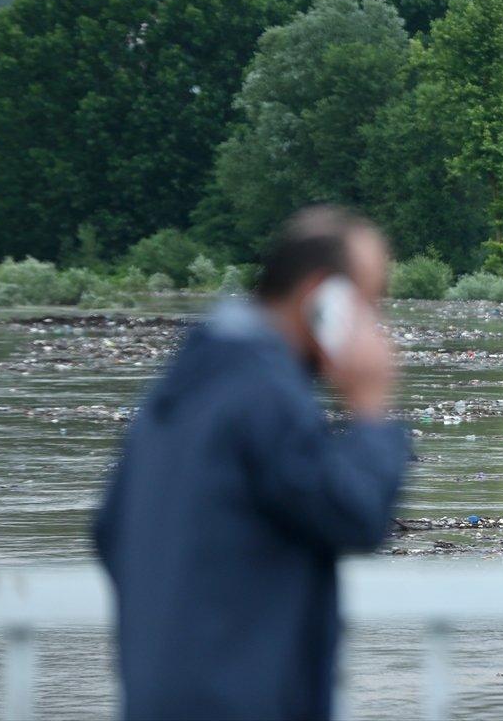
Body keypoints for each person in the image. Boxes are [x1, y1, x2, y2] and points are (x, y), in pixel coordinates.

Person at [94, 206, 412, 721]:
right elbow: (354, 513)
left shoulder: (182, 385)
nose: (377, 325)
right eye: (370, 302)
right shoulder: (264, 396)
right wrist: (371, 409)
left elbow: (109, 530)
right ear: (321, 299)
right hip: (236, 699)